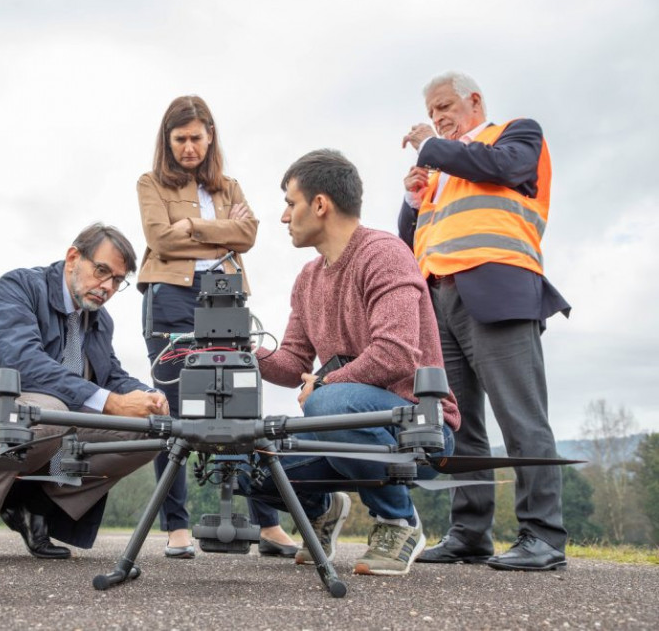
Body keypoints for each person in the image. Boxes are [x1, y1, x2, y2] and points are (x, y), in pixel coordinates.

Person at [240, 148, 459, 576]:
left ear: (320, 204)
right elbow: (291, 364)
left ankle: (398, 521)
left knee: (326, 404)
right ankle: (321, 511)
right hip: (345, 423)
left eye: (290, 203)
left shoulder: (384, 254)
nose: (285, 217)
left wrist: (323, 386)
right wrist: (246, 353)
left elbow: (396, 353)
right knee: (246, 462)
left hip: (418, 429)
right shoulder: (307, 278)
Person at [399, 71, 570, 571]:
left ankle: (543, 535)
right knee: (462, 425)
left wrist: (431, 147)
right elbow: (411, 238)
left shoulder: (516, 134)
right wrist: (412, 199)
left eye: (445, 106)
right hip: (442, 300)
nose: (438, 118)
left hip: (498, 291)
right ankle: (470, 533)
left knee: (521, 417)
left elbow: (504, 167)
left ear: (474, 100)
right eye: (432, 113)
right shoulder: (441, 169)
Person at [0, 223, 169, 561]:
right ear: (72, 257)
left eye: (117, 280)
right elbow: (24, 363)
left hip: (53, 417)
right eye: (102, 271)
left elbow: (111, 375)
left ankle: (33, 507)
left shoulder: (99, 319)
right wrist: (111, 403)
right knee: (46, 411)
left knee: (152, 432)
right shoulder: (18, 287)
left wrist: (148, 395)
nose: (108, 286)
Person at [136, 95, 298, 559]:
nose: (189, 147)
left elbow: (248, 235)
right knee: (174, 408)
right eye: (180, 139)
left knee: (241, 403)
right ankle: (177, 528)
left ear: (210, 137)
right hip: (169, 299)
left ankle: (267, 524)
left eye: (197, 138)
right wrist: (218, 227)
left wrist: (188, 225)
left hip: (226, 298)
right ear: (168, 141)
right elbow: (156, 238)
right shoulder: (150, 182)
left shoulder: (230, 185)